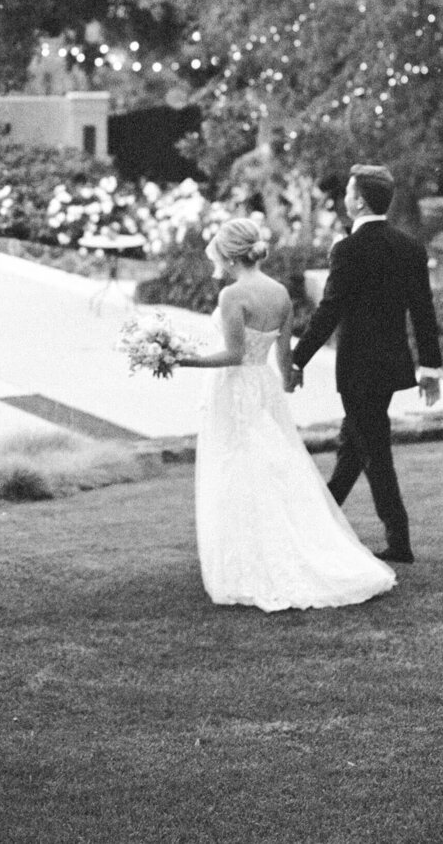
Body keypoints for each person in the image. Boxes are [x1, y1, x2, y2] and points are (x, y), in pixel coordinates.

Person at [173, 217, 396, 611]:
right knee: (270, 464)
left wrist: (182, 361)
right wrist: (291, 380)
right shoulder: (279, 294)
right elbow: (284, 358)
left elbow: (234, 355)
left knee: (237, 466)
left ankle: (246, 560)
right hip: (263, 387)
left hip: (236, 387)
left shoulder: (233, 296)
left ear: (228, 254)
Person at [289, 165, 443, 564]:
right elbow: (423, 313)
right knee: (353, 448)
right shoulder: (410, 247)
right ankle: (320, 523)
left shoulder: (347, 250)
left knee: (374, 451)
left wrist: (296, 358)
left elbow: (329, 311)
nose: (344, 197)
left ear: (358, 200)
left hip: (359, 370)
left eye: (349, 191)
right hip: (391, 367)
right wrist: (430, 368)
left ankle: (400, 541)